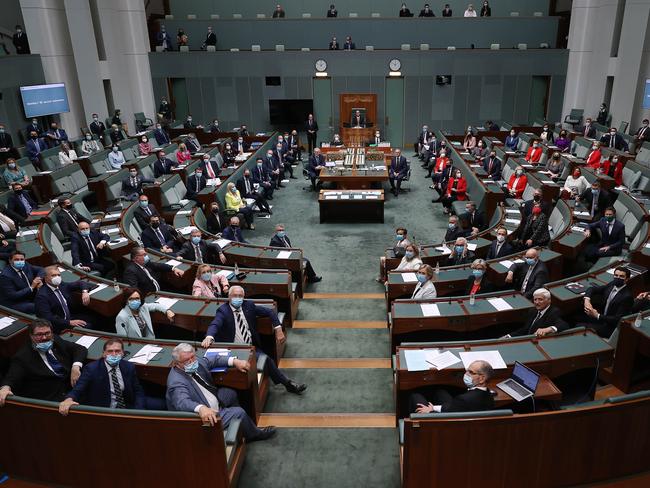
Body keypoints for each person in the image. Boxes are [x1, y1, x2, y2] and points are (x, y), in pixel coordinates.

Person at [201, 286, 306, 396]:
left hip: (250, 347)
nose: (238, 298)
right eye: (235, 296)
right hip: (234, 350)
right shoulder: (223, 310)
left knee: (266, 359)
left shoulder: (248, 305)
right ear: (229, 297)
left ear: (244, 297)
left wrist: (278, 328)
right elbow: (215, 324)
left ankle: (286, 383)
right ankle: (288, 383)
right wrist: (209, 336)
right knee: (267, 360)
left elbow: (270, 312)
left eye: (240, 296)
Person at [166, 342, 276, 441]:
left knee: (230, 393)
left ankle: (239, 429)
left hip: (212, 399)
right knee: (239, 413)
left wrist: (234, 361)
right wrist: (201, 408)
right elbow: (182, 402)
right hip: (205, 416)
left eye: (192, 357)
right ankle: (255, 434)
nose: (192, 361)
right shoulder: (176, 382)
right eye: (186, 360)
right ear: (176, 363)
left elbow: (212, 360)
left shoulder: (194, 361)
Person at [0, 319, 86, 406]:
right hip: (50, 399)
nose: (44, 337)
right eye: (39, 334)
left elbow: (80, 349)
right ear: (31, 336)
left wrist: (76, 366)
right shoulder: (23, 356)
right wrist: (5, 388)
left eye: (47, 333)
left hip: (71, 389)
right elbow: (11, 378)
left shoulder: (55, 340)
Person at [58, 338, 145, 415]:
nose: (114, 354)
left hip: (126, 409)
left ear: (123, 353)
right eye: (110, 351)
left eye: (117, 351)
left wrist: (138, 411)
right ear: (104, 354)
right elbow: (78, 389)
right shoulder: (91, 369)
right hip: (103, 411)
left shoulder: (129, 367)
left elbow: (138, 391)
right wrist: (69, 399)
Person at [410, 360, 494, 414]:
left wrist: (430, 410)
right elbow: (454, 407)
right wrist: (435, 407)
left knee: (415, 396)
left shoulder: (463, 399)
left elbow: (448, 414)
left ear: (482, 378)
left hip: (448, 427)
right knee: (440, 392)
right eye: (466, 371)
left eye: (471, 372)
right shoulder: (489, 395)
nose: (466, 374)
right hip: (458, 411)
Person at [34, 265, 94, 333]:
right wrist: (69, 322)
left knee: (96, 318)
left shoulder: (61, 285)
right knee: (88, 326)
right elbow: (48, 318)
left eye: (58, 275)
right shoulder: (42, 296)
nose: (57, 278)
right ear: (45, 277)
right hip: (59, 324)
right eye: (53, 275)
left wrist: (85, 292)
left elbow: (81, 283)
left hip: (70, 316)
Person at [577, 266, 633, 338]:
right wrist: (587, 300)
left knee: (579, 326)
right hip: (601, 317)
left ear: (627, 279)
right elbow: (592, 289)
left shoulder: (627, 297)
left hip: (610, 327)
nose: (617, 278)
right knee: (575, 317)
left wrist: (597, 315)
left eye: (621, 276)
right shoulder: (612, 284)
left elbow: (617, 320)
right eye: (616, 275)